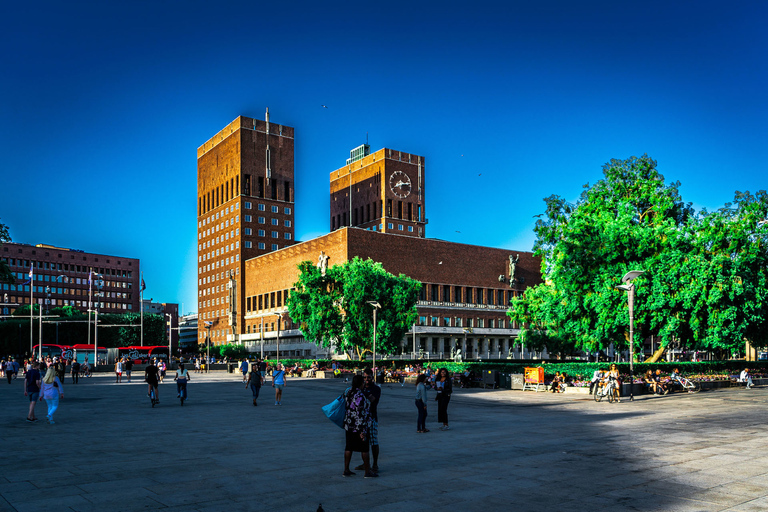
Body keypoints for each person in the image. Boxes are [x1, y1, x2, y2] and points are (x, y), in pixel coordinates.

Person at [342, 374, 376, 478]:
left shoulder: (348, 392)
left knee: (349, 447)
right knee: (364, 449)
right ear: (361, 383)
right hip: (359, 426)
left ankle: (346, 470)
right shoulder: (360, 396)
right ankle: (367, 471)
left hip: (349, 425)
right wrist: (362, 430)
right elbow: (360, 413)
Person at [355, 368, 381, 473]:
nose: (366, 380)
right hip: (362, 419)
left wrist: (362, 393)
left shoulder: (376, 389)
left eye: (368, 377)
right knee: (363, 442)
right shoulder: (361, 389)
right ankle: (366, 463)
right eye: (364, 377)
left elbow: (373, 400)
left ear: (372, 377)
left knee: (374, 441)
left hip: (372, 417)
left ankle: (375, 464)